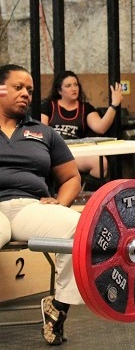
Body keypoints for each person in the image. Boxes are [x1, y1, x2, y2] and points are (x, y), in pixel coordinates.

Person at [0, 64, 83, 345]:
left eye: (30, 90)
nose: (26, 94)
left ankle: (58, 308)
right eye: (18, 87)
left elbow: (71, 176)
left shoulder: (44, 133)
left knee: (77, 229)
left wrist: (61, 202)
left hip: (29, 207)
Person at [40, 70, 123, 184]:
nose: (74, 88)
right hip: (54, 153)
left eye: (76, 85)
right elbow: (42, 131)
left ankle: (84, 192)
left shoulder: (85, 108)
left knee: (101, 163)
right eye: (68, 86)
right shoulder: (48, 106)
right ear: (60, 90)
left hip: (76, 154)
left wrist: (114, 105)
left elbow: (101, 127)